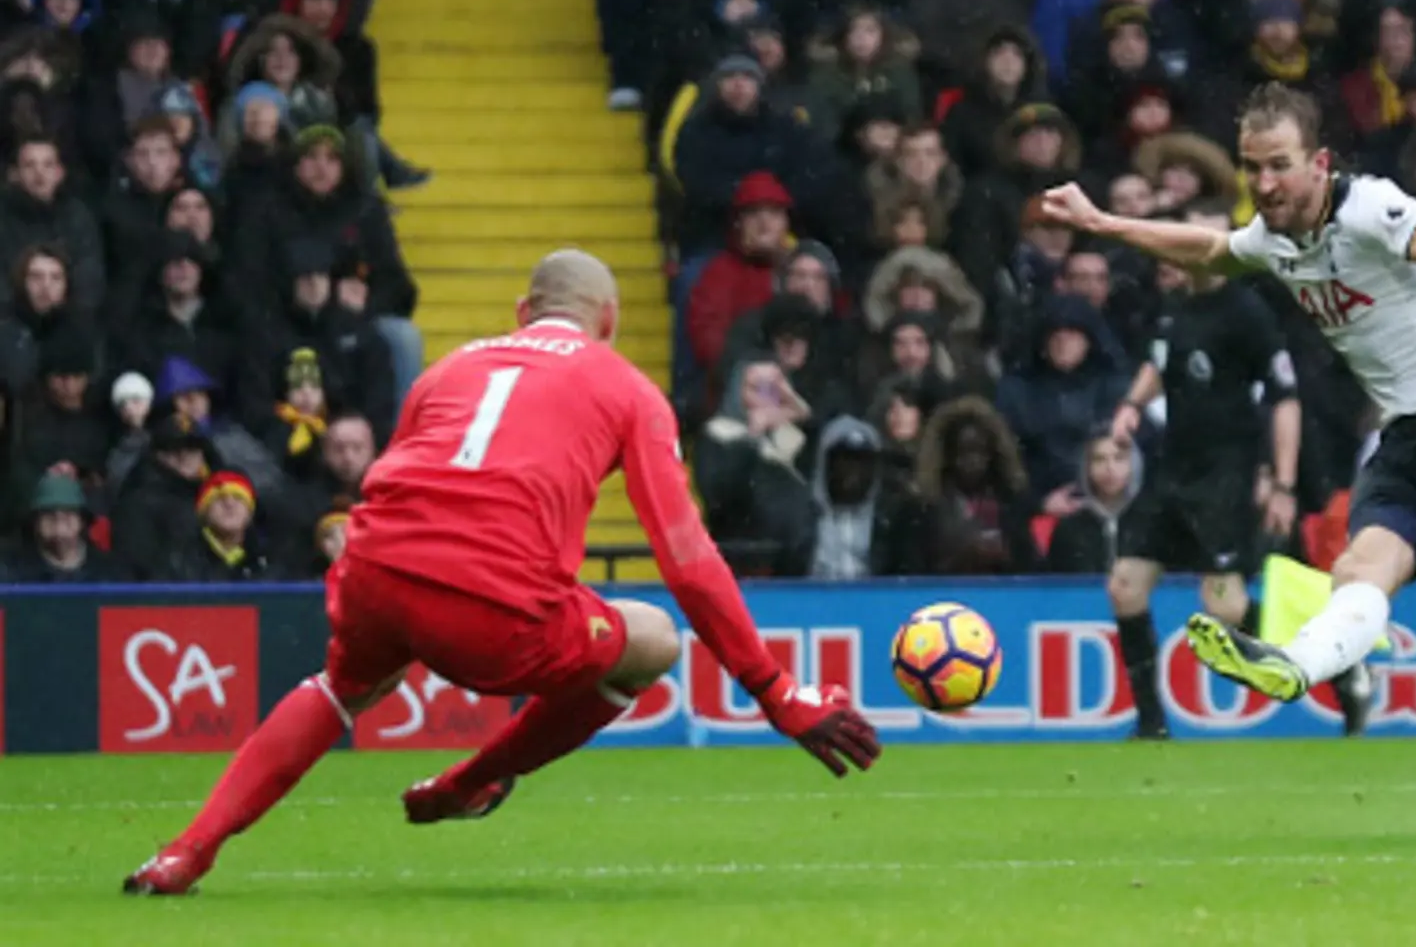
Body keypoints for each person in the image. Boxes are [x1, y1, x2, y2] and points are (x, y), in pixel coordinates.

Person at [125, 249, 881, 896]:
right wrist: (775, 691)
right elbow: (685, 559)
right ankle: (469, 781)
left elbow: (406, 475)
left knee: (341, 687)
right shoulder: (625, 388)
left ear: (524, 311)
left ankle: (187, 851)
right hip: (494, 614)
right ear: (608, 322)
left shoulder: (449, 368)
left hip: (375, 569)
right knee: (653, 638)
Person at [1039, 84, 1416, 838]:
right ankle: (1295, 665)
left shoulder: (1371, 209)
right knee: (1360, 571)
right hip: (1405, 433)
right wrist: (1102, 223)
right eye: (1251, 168)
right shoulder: (1273, 234)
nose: (1264, 185)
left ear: (1319, 163)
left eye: (1279, 166)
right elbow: (1212, 250)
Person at [1105, 218, 1371, 740]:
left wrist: (1284, 484)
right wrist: (1131, 406)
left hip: (1225, 476)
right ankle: (1151, 725)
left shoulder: (1247, 314)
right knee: (1125, 587)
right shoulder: (1175, 306)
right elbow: (1159, 361)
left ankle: (1340, 665)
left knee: (1223, 606)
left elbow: (1284, 398)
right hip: (1172, 469)